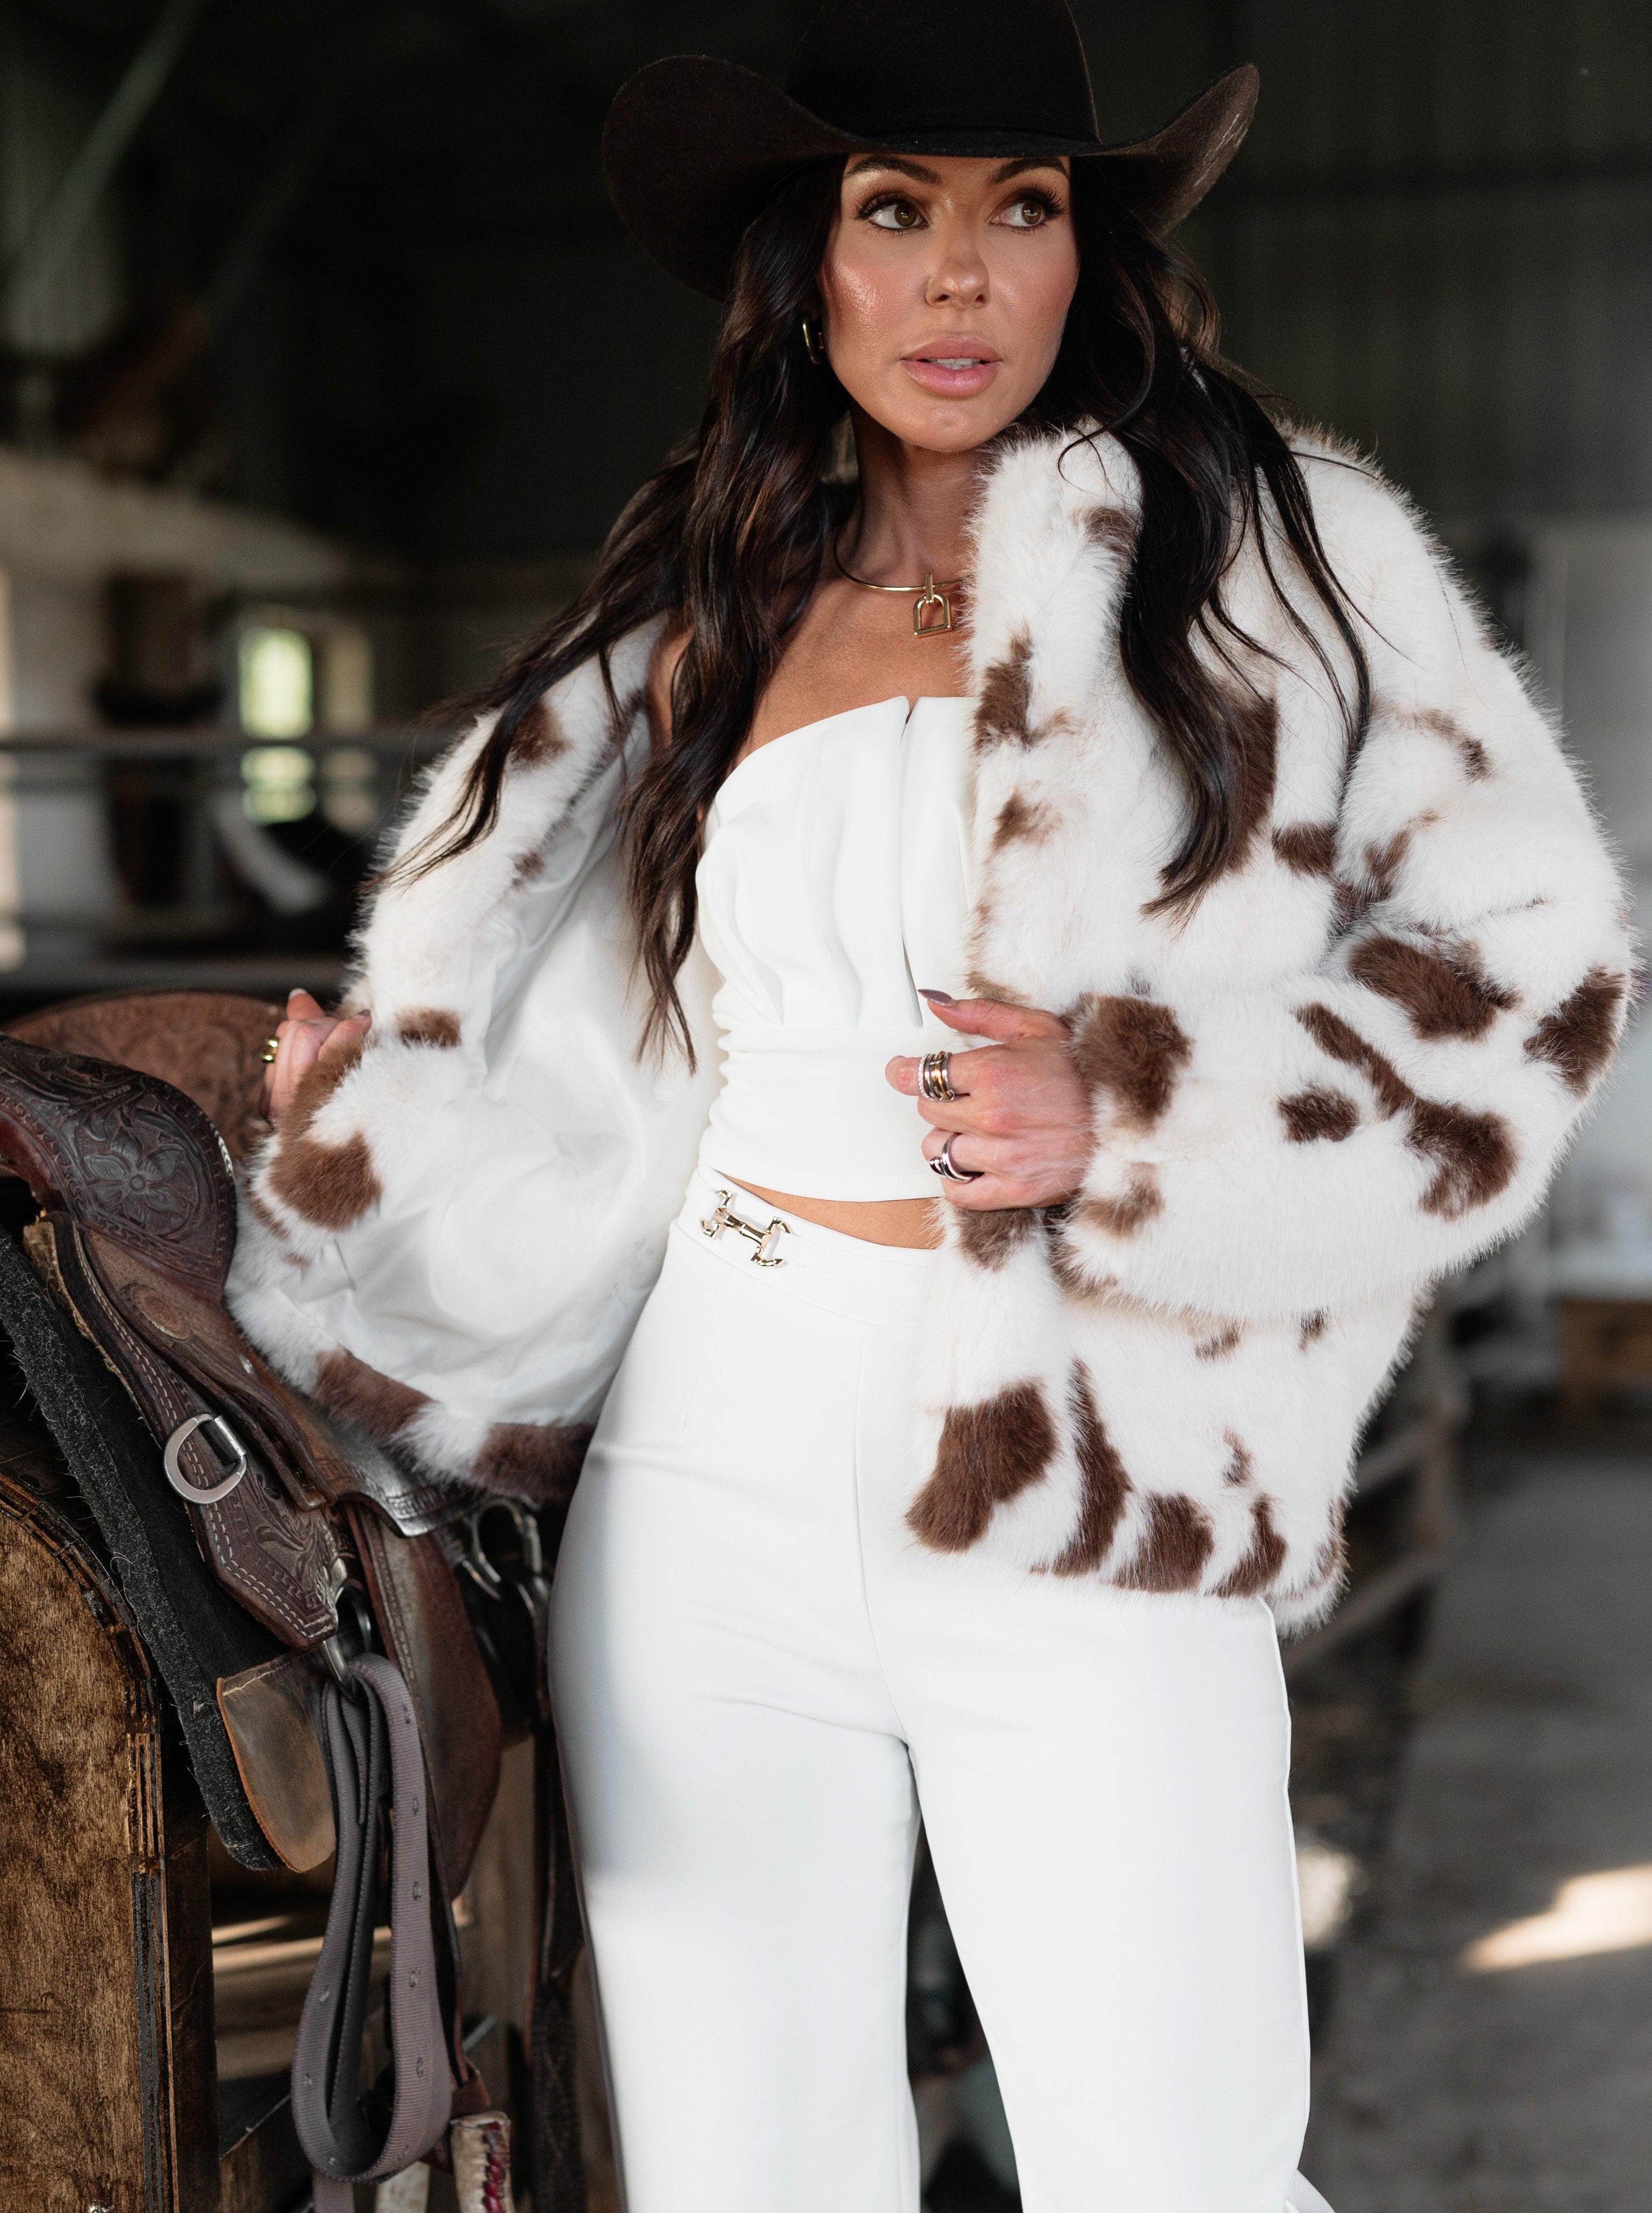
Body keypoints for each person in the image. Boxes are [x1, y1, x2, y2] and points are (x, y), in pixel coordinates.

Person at [234, 3, 1630, 2206]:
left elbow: (1537, 979)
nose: (964, 279)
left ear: (1095, 254)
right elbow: (622, 1073)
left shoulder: (1275, 560)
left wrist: (1142, 1113)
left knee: (1172, 2173)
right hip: (711, 1469)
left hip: (1091, 1478)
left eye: (1025, 211)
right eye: (899, 213)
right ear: (809, 264)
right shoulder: (699, 598)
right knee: (741, 2170)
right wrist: (398, 1137)